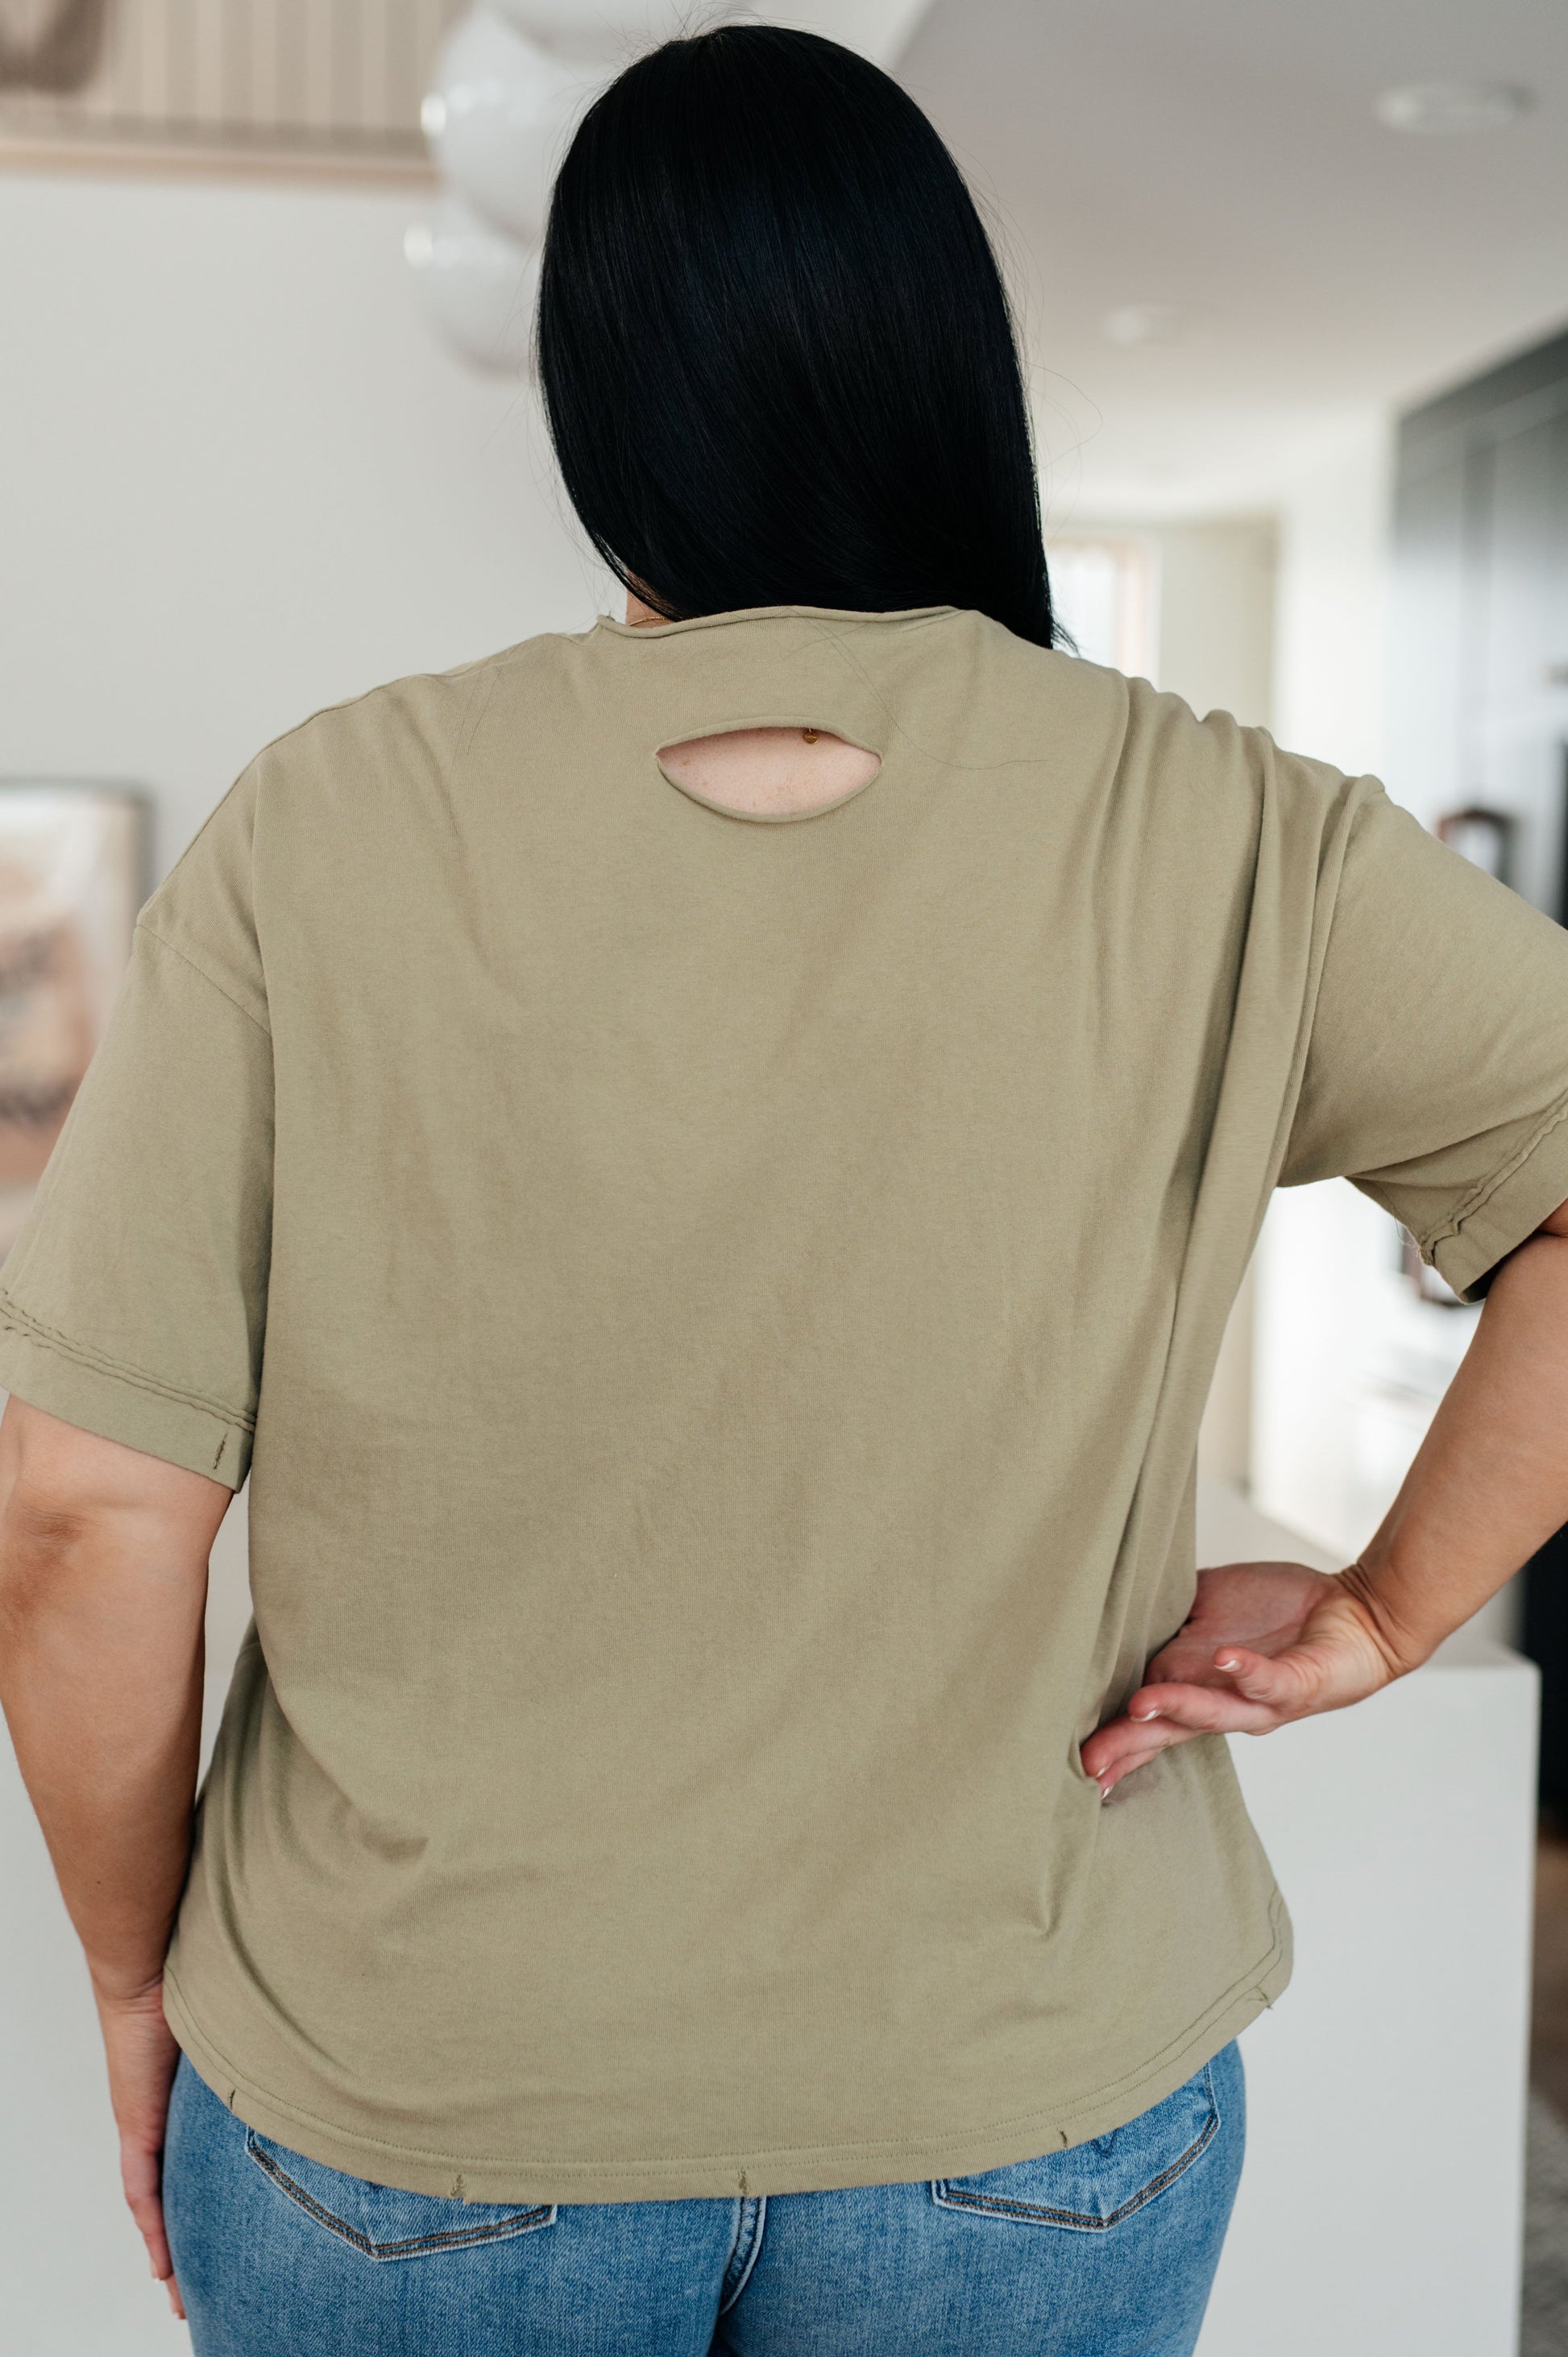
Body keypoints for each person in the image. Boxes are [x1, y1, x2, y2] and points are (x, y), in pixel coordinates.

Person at [3, 25, 1568, 2357]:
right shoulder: (1227, 821)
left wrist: (134, 1981)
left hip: (419, 2101)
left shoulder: (325, 824)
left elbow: (81, 1514)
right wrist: (1385, 1612)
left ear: (596, 403)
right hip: (1020, 2102)